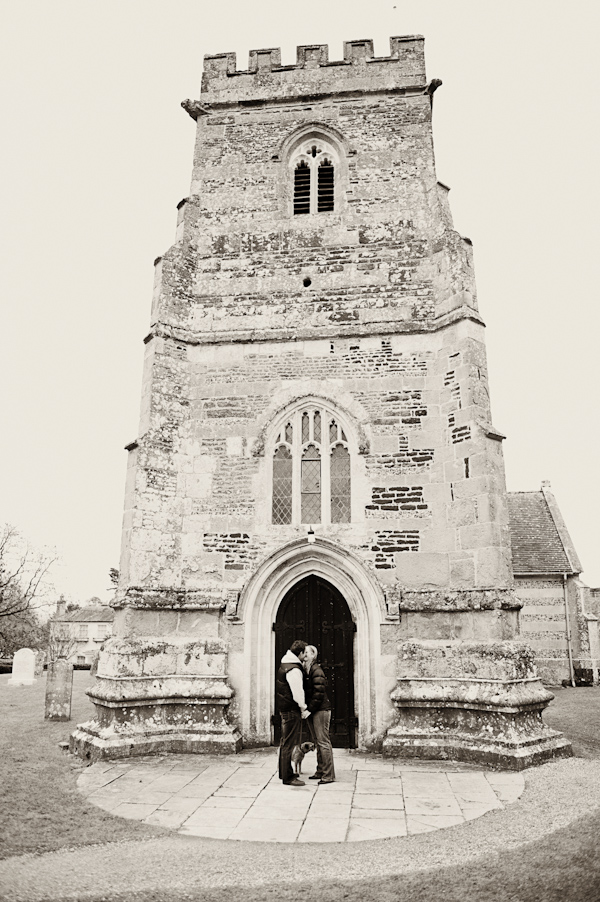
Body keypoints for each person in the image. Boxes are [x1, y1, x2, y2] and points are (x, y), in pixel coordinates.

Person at [276, 639, 311, 787]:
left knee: (285, 742)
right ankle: (288, 777)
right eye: (305, 653)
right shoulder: (294, 669)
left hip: (285, 707)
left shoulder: (285, 663)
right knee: (289, 743)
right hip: (291, 709)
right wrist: (303, 707)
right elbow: (297, 692)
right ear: (300, 652)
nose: (306, 656)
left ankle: (283, 772)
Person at [303, 644, 335, 784]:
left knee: (323, 742)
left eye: (307, 653)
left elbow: (319, 693)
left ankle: (328, 775)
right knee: (317, 741)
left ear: (313, 655)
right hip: (314, 709)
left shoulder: (316, 670)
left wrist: (309, 709)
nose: (304, 655)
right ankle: (320, 770)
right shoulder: (308, 670)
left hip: (321, 710)